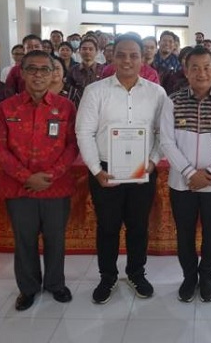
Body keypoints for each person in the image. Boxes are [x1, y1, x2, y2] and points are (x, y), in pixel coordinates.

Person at [76, 33, 167, 304]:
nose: (127, 60)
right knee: (107, 227)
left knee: (138, 226)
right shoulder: (96, 91)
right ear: (112, 57)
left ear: (143, 59)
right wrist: (95, 169)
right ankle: (108, 277)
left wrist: (152, 161)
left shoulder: (156, 93)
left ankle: (137, 273)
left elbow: (163, 133)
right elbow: (84, 132)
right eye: (122, 55)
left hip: (143, 170)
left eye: (134, 55)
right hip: (105, 171)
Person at [0, 50, 79, 312]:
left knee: (55, 239)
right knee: (25, 240)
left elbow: (72, 145)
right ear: (22, 72)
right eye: (32, 69)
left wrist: (50, 176)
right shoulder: (6, 108)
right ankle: (28, 288)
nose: (38, 74)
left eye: (44, 69)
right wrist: (26, 177)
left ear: (54, 73)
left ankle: (55, 284)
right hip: (19, 188)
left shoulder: (66, 107)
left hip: (56, 186)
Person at [160, 46, 211, 303]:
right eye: (194, 67)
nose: (201, 72)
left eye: (207, 67)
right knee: (184, 232)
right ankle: (189, 277)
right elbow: (166, 141)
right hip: (181, 183)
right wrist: (188, 173)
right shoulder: (172, 101)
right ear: (185, 71)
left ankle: (206, 276)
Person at [67, 38, 105, 105]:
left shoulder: (103, 69)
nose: (87, 52)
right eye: (84, 49)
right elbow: (70, 91)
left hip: (99, 105)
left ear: (96, 52)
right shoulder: (73, 70)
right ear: (79, 51)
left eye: (91, 49)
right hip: (78, 106)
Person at [153, 30, 183, 94]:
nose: (167, 44)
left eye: (170, 41)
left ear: (174, 45)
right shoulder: (152, 58)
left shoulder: (177, 61)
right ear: (159, 43)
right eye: (164, 41)